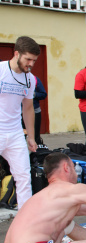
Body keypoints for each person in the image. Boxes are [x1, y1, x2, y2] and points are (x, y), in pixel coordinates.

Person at [0, 36, 39, 209]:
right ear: (16, 53)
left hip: (15, 133)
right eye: (28, 59)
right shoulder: (1, 71)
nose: (31, 64)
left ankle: (26, 220)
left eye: (34, 60)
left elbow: (28, 108)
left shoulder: (30, 79)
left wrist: (31, 137)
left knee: (24, 176)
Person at [33, 76, 47, 145]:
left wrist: (34, 94)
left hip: (35, 111)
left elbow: (43, 94)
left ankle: (37, 154)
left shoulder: (35, 79)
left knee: (36, 136)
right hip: (18, 113)